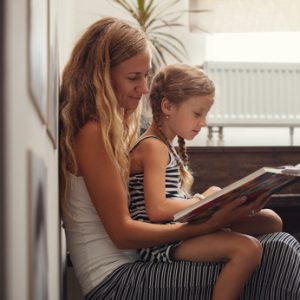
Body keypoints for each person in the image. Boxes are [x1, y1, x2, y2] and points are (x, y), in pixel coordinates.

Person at [59, 17, 300, 300]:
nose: (144, 88)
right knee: (277, 253)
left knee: (276, 239)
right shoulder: (93, 132)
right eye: (133, 78)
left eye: (145, 76)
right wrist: (204, 224)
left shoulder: (110, 131)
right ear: (101, 74)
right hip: (116, 282)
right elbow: (123, 233)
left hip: (135, 266)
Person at [128, 63, 284, 300]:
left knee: (270, 221)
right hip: (161, 241)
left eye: (205, 114)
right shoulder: (152, 146)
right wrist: (203, 201)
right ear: (167, 106)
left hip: (177, 227)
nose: (204, 123)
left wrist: (218, 201)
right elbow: (157, 209)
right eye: (197, 113)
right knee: (247, 249)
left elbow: (172, 201)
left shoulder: (165, 146)